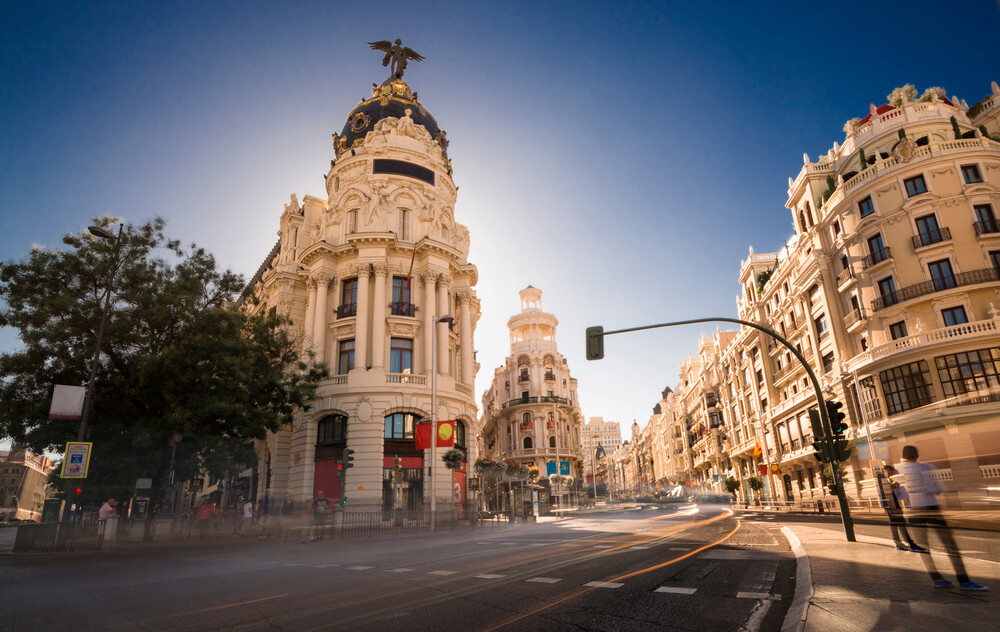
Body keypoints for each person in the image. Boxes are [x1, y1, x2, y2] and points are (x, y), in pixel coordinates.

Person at [895, 445, 987, 590]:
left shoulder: (897, 471)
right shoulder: (925, 467)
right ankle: (964, 580)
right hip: (931, 508)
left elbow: (898, 493)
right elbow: (938, 488)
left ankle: (937, 579)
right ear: (916, 455)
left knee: (924, 547)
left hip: (912, 511)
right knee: (950, 545)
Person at [879, 465, 924, 552]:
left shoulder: (887, 480)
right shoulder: (883, 481)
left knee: (897, 525)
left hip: (895, 506)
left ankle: (902, 543)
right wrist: (893, 487)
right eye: (889, 471)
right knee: (899, 525)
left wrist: (895, 485)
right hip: (892, 507)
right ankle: (908, 543)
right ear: (886, 471)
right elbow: (886, 492)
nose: (891, 473)